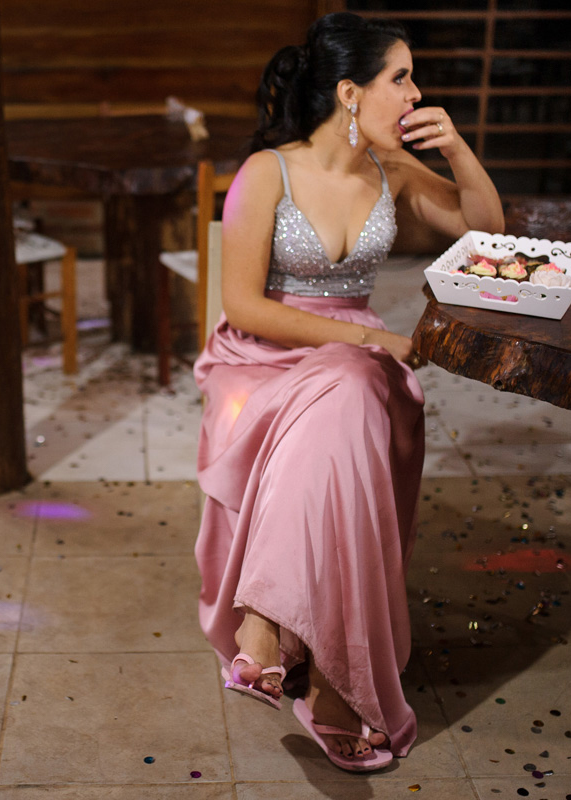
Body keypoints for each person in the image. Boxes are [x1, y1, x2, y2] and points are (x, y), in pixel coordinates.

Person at [193, 13, 503, 772]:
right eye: (401, 77)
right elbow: (244, 306)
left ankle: (268, 627)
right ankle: (337, 686)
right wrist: (368, 341)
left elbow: (487, 236)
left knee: (351, 392)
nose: (415, 93)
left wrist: (457, 150)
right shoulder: (267, 172)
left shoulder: (392, 171)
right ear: (349, 92)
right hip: (265, 355)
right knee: (352, 386)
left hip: (351, 362)